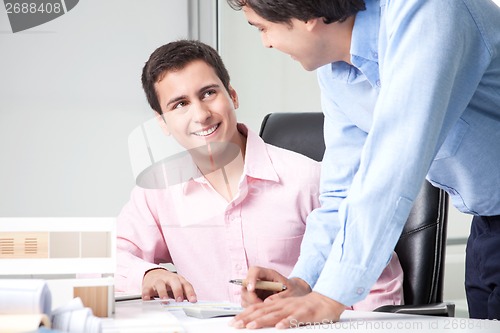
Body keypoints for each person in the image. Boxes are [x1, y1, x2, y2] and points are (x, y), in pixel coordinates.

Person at [226, 0, 500, 328]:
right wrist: (305, 282)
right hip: (486, 226)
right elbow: (341, 191)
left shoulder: (428, 10)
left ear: (306, 15)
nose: (266, 43)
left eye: (263, 27)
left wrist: (331, 296)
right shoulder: (337, 71)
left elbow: (394, 164)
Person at [115, 40, 404, 307]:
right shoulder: (157, 192)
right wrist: (147, 274)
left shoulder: (310, 181)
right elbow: (107, 258)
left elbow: (378, 285)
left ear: (233, 96)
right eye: (180, 104)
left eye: (209, 93)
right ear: (162, 123)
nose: (201, 114)